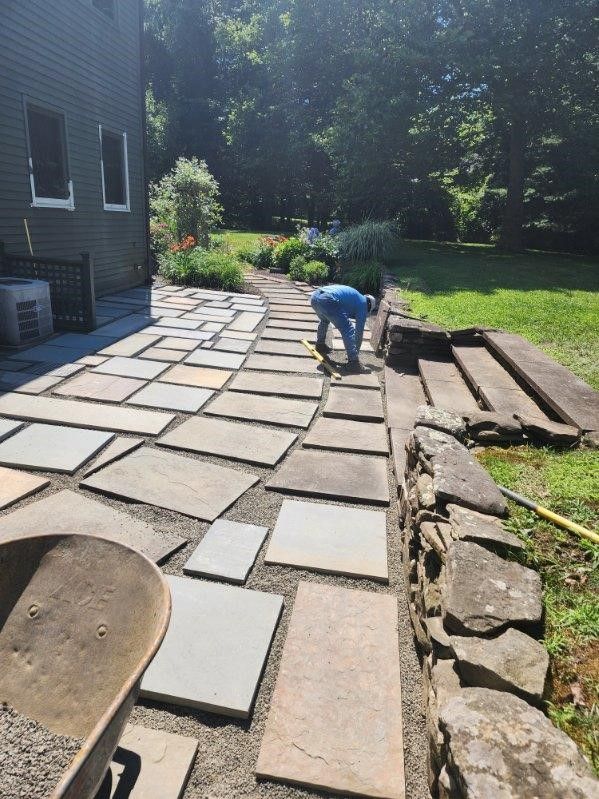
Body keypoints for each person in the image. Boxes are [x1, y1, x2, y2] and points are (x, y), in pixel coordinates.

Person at [310, 284, 377, 369]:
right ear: (369, 306)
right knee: (348, 329)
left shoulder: (356, 297)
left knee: (324, 320)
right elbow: (358, 333)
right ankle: (354, 363)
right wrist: (355, 353)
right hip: (327, 299)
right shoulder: (363, 304)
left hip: (315, 297)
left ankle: (320, 345)